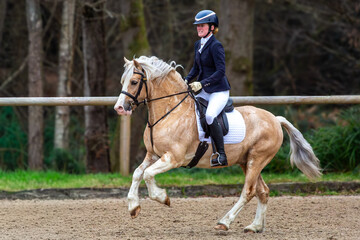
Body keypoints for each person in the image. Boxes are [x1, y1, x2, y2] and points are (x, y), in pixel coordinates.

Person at [185, 10, 231, 167]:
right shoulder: (198, 44)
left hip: (218, 90)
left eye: (202, 26)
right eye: (197, 26)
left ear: (212, 27)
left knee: (210, 116)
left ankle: (221, 155)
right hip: (204, 90)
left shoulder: (216, 46)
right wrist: (185, 80)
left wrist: (202, 84)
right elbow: (195, 69)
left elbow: (220, 72)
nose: (199, 28)